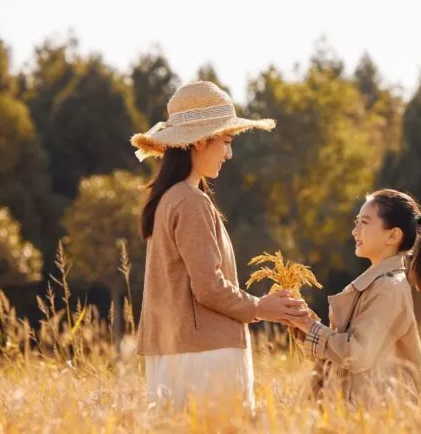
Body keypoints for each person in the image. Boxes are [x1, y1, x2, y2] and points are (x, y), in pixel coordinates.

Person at [131, 81, 307, 411]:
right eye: (226, 141)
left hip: (177, 352)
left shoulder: (169, 200)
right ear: (199, 141)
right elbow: (209, 287)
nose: (229, 153)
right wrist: (260, 307)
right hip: (205, 356)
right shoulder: (190, 202)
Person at [288, 189, 421, 407]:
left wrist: (310, 327)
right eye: (356, 222)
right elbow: (344, 355)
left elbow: (357, 354)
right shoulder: (375, 284)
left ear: (393, 236)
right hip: (355, 411)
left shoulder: (388, 288)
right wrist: (303, 328)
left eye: (364, 223)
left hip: (376, 414)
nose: (354, 231)